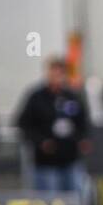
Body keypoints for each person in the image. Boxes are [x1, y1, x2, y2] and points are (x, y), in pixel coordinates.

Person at [16, 58, 91, 194]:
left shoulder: (72, 97)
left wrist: (82, 139)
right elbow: (23, 124)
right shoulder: (36, 97)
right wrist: (41, 142)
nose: (57, 77)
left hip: (71, 159)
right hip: (46, 163)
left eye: (60, 73)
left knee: (76, 196)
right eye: (53, 73)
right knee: (50, 199)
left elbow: (83, 123)